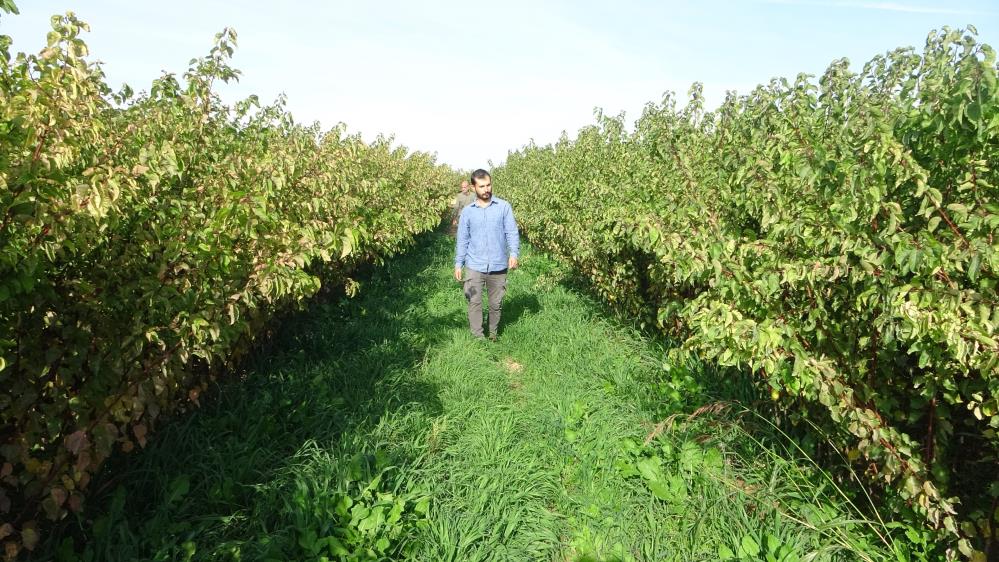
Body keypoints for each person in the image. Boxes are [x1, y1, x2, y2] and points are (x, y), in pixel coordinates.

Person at [454, 169, 520, 341]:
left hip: (498, 264)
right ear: (474, 187)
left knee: (495, 304)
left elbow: (511, 232)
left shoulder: (504, 207)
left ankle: (492, 334)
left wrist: (513, 253)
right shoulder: (468, 211)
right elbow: (462, 239)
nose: (486, 189)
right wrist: (458, 263)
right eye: (482, 186)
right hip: (475, 264)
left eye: (488, 185)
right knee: (474, 301)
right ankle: (478, 337)